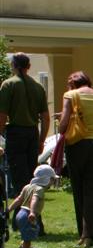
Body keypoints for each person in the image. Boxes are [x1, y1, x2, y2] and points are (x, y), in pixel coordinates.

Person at [58, 71, 93, 247]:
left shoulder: (70, 95)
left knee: (79, 188)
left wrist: (61, 123)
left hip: (77, 145)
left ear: (73, 83)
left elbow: (64, 124)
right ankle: (92, 233)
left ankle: (84, 233)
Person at [0, 53, 50, 197]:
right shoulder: (38, 87)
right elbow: (45, 118)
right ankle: (34, 212)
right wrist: (41, 140)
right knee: (31, 175)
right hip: (32, 133)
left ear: (13, 65)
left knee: (18, 176)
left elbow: (2, 115)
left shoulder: (9, 84)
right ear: (29, 66)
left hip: (16, 134)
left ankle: (21, 215)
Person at [7, 164, 58, 248]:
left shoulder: (28, 186)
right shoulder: (39, 189)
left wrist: (9, 209)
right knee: (28, 238)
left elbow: (19, 199)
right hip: (27, 215)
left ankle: (25, 247)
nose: (52, 182)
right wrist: (32, 212)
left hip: (20, 214)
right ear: (46, 179)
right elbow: (34, 199)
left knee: (29, 232)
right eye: (52, 179)